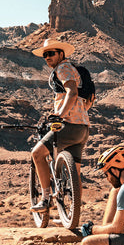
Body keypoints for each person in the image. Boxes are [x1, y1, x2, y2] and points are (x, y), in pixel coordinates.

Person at [30, 39, 90, 211]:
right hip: (82, 128)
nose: (47, 57)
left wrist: (59, 115)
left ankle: (45, 199)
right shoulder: (71, 69)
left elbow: (72, 92)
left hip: (68, 125)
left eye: (51, 53)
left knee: (37, 154)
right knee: (75, 176)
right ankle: (72, 215)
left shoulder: (63, 68)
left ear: (61, 54)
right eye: (45, 55)